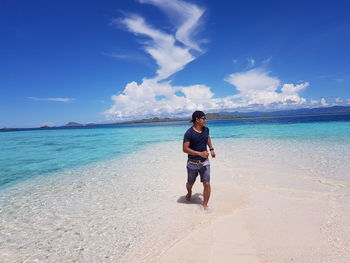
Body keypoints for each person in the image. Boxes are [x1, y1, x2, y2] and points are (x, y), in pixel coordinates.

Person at [183, 111, 216, 209]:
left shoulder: (206, 130)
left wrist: (211, 149)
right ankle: (189, 193)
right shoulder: (189, 133)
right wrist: (200, 153)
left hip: (205, 162)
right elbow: (185, 149)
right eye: (203, 118)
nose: (205, 120)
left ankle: (205, 205)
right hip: (192, 163)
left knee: (207, 183)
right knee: (190, 183)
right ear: (197, 120)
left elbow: (207, 138)